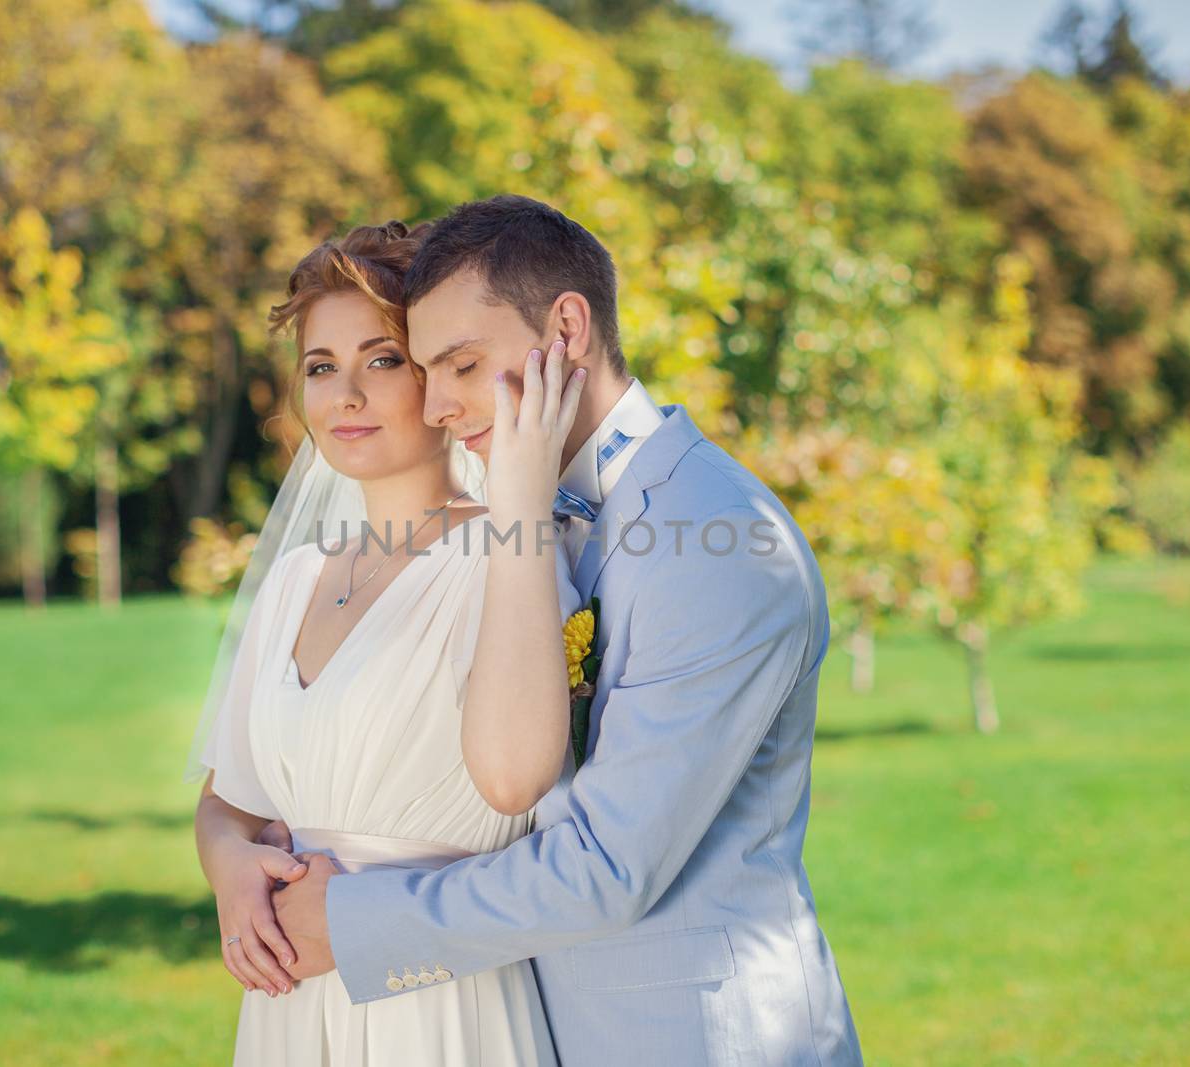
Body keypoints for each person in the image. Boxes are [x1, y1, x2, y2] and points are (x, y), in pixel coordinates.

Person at [265, 195, 864, 1066]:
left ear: (569, 329)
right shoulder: (526, 509)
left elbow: (606, 868)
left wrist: (351, 921)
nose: (435, 407)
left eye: (462, 364)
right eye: (426, 372)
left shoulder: (718, 541)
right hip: (527, 1025)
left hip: (697, 1038)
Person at [186, 218, 586, 1065]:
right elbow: (231, 800)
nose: (346, 396)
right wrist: (228, 868)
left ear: (440, 382)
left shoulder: (512, 555)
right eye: (320, 368)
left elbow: (515, 782)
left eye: (382, 360)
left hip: (441, 1001)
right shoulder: (294, 580)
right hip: (292, 1009)